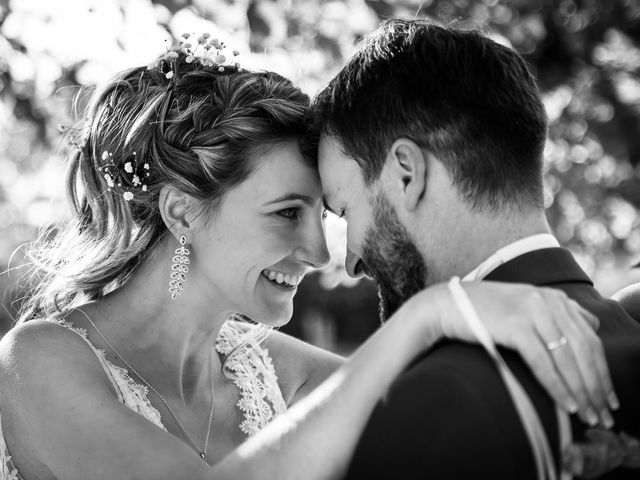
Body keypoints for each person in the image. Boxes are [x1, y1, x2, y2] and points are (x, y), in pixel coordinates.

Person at [0, 35, 615, 480]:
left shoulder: (276, 372)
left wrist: (622, 314)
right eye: (287, 212)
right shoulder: (38, 361)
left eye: (325, 214)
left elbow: (468, 403)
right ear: (182, 211)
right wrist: (428, 313)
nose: (323, 253)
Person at [311, 18, 640, 479]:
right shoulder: (629, 335)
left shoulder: (436, 401)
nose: (351, 264)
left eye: (343, 211)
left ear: (407, 173)